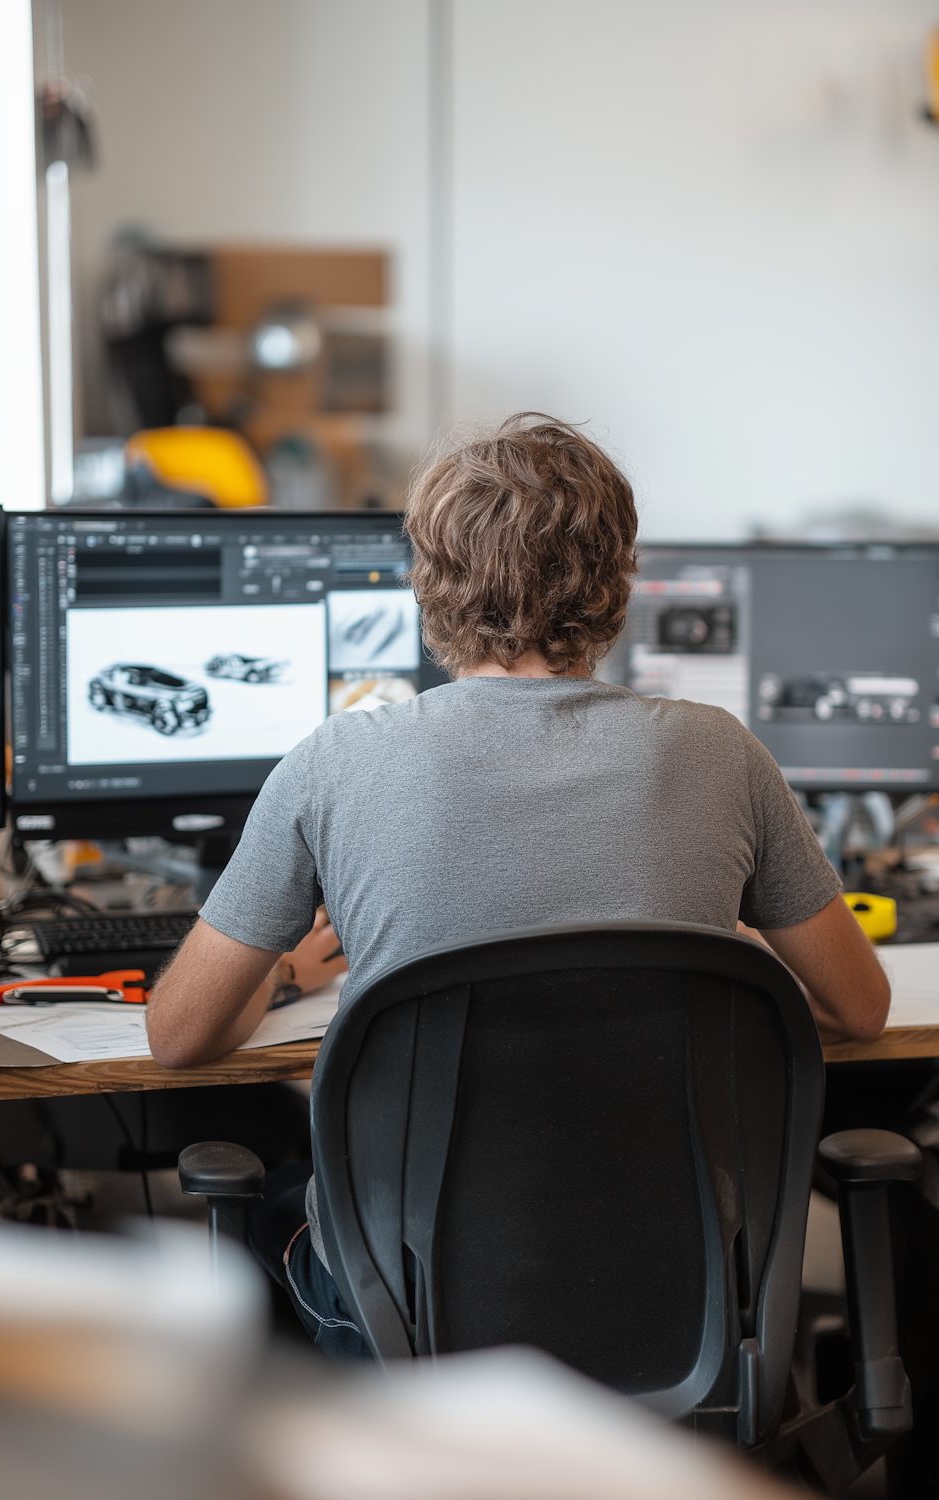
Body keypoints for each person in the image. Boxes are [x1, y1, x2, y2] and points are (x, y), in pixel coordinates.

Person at [148, 413, 889, 1355]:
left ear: (428, 585)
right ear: (617, 584)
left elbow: (178, 1040)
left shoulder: (333, 764)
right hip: (679, 1296)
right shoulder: (722, 753)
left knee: (281, 1209)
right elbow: (860, 1008)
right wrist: (720, 971)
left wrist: (290, 974)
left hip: (413, 1314)